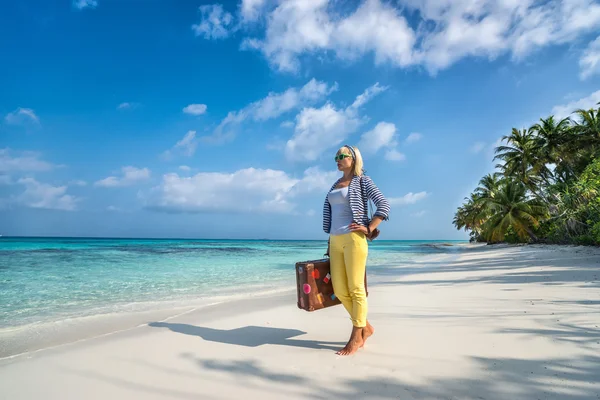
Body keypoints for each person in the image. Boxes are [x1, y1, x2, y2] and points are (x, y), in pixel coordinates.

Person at [322, 144, 390, 356]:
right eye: (336, 156)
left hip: (354, 239)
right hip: (335, 241)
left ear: (354, 158)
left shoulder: (362, 181)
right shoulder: (335, 184)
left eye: (343, 156)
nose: (338, 159)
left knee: (356, 288)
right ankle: (366, 327)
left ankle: (355, 336)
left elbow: (384, 205)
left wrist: (369, 227)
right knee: (340, 290)